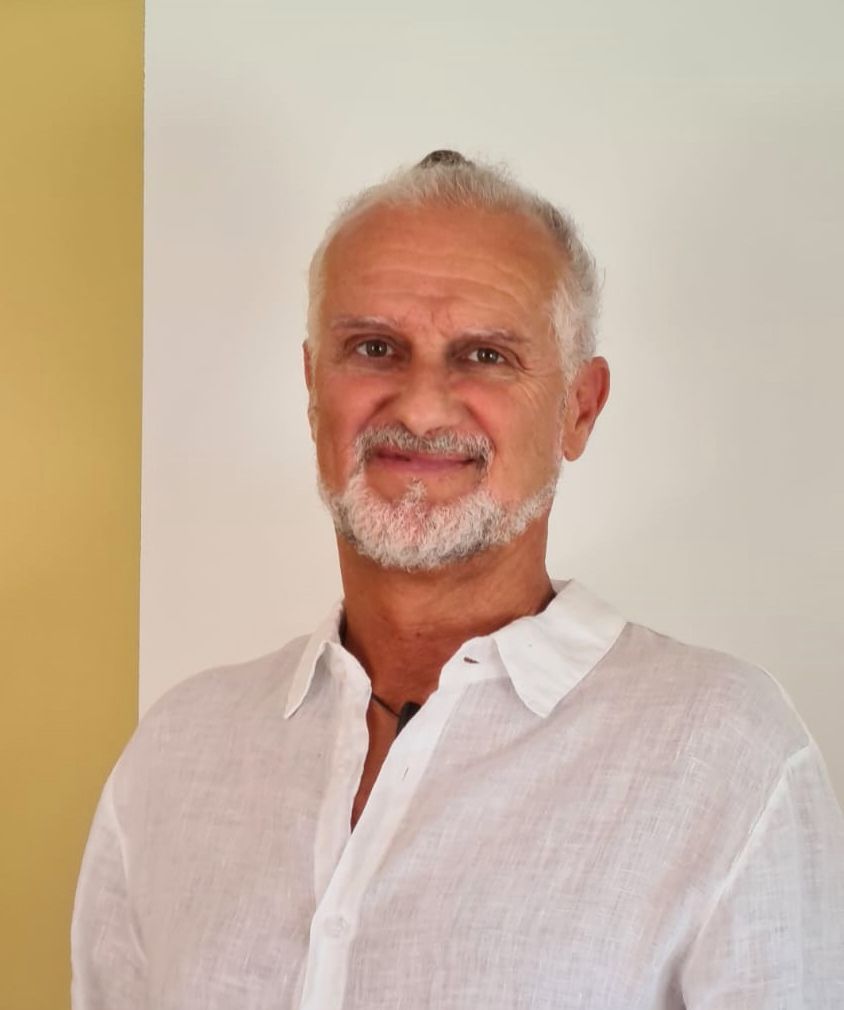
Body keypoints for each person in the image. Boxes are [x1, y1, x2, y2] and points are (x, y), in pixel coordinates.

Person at [71, 151, 844, 1009]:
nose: (420, 406)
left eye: (485, 355)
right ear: (312, 388)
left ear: (579, 408)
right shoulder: (176, 756)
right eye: (374, 348)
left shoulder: (727, 758)